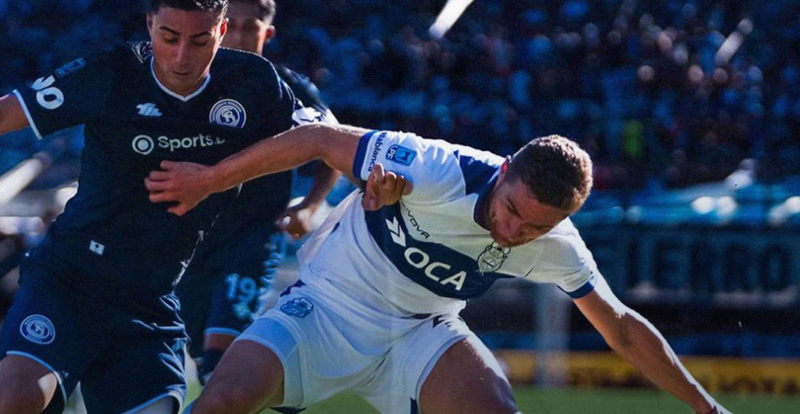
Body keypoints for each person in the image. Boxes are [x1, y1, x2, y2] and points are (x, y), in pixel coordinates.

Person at [0, 0, 404, 413]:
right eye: (169, 37)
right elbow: (6, 114)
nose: (181, 57)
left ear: (221, 31)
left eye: (199, 41)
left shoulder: (256, 83)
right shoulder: (111, 71)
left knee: (205, 382)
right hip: (70, 280)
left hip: (150, 298)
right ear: (150, 23)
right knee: (16, 398)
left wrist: (377, 179)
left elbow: (327, 140)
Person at [146, 124, 732, 414]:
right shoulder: (432, 169)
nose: (514, 233)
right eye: (512, 212)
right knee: (222, 403)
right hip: (325, 307)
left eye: (534, 228)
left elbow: (621, 327)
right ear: (504, 171)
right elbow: (320, 138)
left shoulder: (558, 244)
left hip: (421, 332)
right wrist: (209, 179)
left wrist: (707, 408)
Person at [174, 0, 340, 386]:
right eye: (233, 24)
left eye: (252, 27)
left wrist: (310, 206)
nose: (241, 34)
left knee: (219, 359)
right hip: (191, 242)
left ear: (269, 33)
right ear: (219, 28)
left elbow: (334, 143)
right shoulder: (190, 82)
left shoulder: (288, 89)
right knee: (203, 360)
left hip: (252, 239)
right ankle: (286, 391)